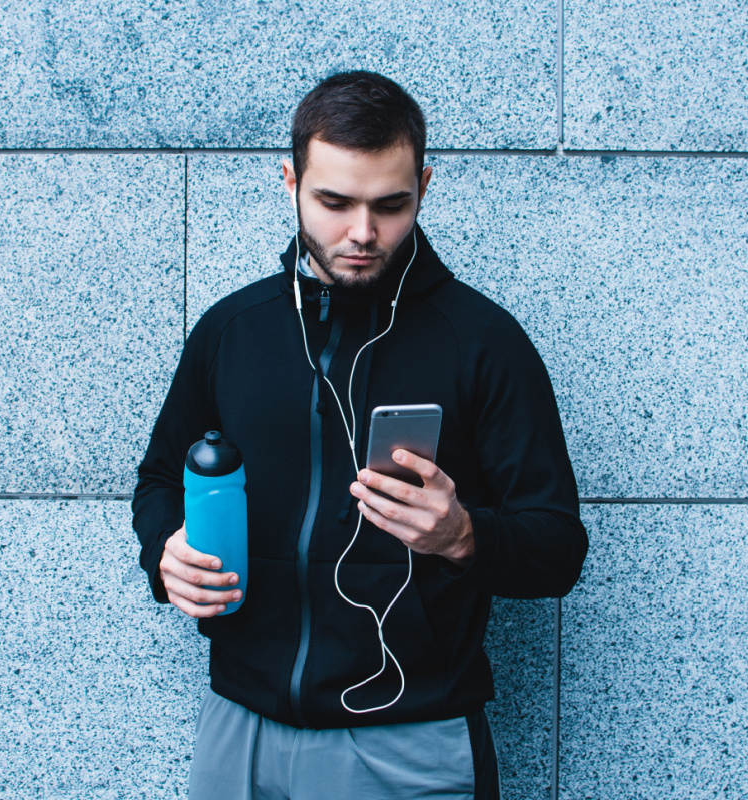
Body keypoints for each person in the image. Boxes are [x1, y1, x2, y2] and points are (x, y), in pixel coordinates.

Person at [132, 71, 588, 800]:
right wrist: (165, 551)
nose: (363, 234)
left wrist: (465, 536)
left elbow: (558, 548)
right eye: (334, 202)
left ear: (425, 187)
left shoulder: (483, 343)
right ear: (289, 180)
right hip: (239, 726)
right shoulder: (232, 331)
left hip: (408, 741)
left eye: (390, 205)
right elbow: (158, 480)